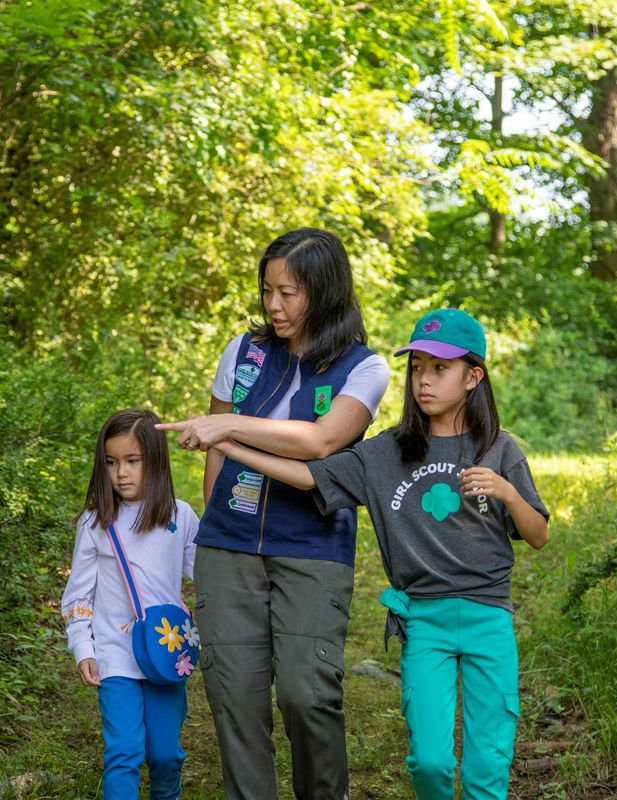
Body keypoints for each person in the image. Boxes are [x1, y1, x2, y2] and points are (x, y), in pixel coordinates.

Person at [210, 308, 550, 800]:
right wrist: (230, 438)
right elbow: (311, 476)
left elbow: (537, 534)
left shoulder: (499, 450)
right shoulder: (385, 452)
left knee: (487, 766)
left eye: (439, 368)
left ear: (473, 376)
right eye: (416, 369)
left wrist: (508, 494)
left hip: (488, 619)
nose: (423, 381)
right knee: (431, 762)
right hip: (425, 623)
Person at [157, 228, 390, 800]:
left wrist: (228, 426)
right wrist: (215, 523)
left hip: (313, 548)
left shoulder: (366, 368)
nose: (274, 305)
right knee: (235, 700)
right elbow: (214, 448)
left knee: (306, 694)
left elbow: (319, 442)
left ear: (326, 292)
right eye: (267, 290)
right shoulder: (243, 351)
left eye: (290, 292)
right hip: (228, 546)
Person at [61, 408, 199, 800]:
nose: (121, 473)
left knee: (165, 754)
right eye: (111, 463)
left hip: (166, 653)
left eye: (132, 461)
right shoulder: (95, 522)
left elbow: (208, 579)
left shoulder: (180, 516)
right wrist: (82, 648)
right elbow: (78, 596)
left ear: (154, 460)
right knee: (123, 751)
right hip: (114, 655)